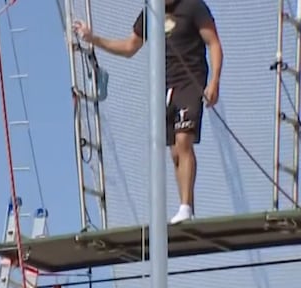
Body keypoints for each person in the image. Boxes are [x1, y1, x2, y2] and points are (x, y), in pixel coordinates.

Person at [73, 0, 223, 225]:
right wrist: (93, 38)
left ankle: (186, 206)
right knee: (174, 152)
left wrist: (214, 81)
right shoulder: (151, 12)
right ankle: (187, 208)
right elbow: (129, 47)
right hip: (165, 86)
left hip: (190, 82)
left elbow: (213, 43)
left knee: (184, 142)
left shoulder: (193, 6)